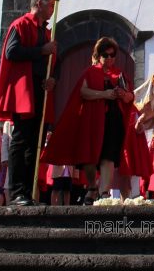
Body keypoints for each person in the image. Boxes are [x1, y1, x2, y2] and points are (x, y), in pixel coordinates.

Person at [41, 37, 135, 204]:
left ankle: (104, 193)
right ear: (99, 56)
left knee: (108, 157)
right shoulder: (90, 72)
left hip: (113, 121)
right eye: (106, 55)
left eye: (113, 55)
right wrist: (104, 94)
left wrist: (123, 95)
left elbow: (130, 97)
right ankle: (92, 187)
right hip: (93, 120)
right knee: (89, 158)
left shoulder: (120, 74)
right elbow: (83, 92)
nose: (110, 58)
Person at [0, 0, 57, 206]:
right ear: (38, 3)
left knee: (35, 141)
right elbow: (12, 52)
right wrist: (41, 50)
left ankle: (28, 191)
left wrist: (51, 79)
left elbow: (49, 64)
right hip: (25, 89)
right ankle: (17, 191)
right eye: (50, 4)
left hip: (40, 88)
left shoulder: (45, 31)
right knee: (22, 139)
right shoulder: (21, 25)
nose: (52, 9)